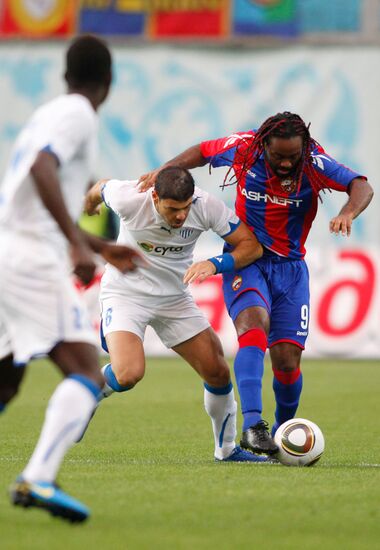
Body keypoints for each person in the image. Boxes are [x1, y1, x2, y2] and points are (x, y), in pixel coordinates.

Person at [138, 111, 374, 455]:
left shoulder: (314, 162)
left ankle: (282, 435)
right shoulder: (244, 148)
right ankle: (253, 426)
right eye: (278, 155)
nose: (285, 163)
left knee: (287, 361)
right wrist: (167, 170)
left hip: (291, 270)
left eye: (292, 156)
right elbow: (203, 151)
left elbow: (361, 185)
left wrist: (348, 212)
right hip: (246, 259)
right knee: (253, 324)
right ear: (263, 144)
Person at [0, 35, 142, 523]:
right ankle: (38, 477)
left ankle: (38, 475)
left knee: (5, 380)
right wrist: (77, 244)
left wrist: (100, 247)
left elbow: (37, 185)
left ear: (65, 73)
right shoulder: (79, 113)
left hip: (9, 249)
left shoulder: (48, 113)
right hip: (30, 259)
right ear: (108, 83)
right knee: (85, 369)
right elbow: (43, 168)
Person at [83, 165, 271, 464]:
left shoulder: (206, 205)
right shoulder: (129, 197)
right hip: (126, 294)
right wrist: (90, 202)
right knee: (129, 374)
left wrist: (216, 263)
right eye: (173, 209)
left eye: (185, 208)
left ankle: (226, 450)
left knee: (218, 371)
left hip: (175, 299)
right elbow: (101, 186)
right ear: (155, 196)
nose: (181, 216)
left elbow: (251, 247)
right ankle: (89, 390)